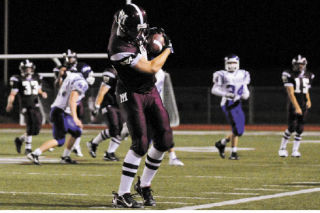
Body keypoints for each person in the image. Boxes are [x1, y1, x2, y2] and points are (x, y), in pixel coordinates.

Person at [107, 3, 174, 208]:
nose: (140, 33)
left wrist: (157, 39)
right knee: (141, 144)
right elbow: (152, 67)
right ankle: (121, 194)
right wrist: (167, 49)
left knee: (164, 140)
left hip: (149, 90)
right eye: (136, 29)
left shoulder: (130, 26)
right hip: (131, 92)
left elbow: (151, 33)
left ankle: (144, 185)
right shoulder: (118, 48)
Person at [27, 65, 95, 165]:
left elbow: (60, 82)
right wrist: (75, 118)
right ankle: (35, 154)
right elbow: (72, 100)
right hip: (61, 112)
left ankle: (65, 157)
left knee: (77, 131)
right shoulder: (81, 82)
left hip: (59, 111)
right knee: (60, 140)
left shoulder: (71, 76)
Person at [211, 54, 250, 160]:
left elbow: (244, 87)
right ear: (225, 64)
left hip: (238, 103)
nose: (231, 65)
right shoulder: (221, 74)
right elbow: (214, 90)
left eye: (233, 63)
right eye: (229, 63)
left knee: (240, 130)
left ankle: (222, 143)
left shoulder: (243, 74)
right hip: (227, 103)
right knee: (236, 128)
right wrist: (226, 94)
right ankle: (233, 153)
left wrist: (246, 94)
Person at [6, 59, 47, 155]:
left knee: (36, 129)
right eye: (26, 68)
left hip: (35, 104)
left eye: (29, 68)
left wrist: (42, 93)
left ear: (32, 68)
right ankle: (28, 148)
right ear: (22, 69)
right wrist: (10, 103)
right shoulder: (17, 79)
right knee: (30, 124)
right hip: (25, 105)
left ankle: (20, 140)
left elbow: (38, 90)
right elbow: (13, 94)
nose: (28, 70)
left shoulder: (37, 77)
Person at [87, 66, 128, 161]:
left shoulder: (128, 72)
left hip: (119, 105)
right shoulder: (111, 72)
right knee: (115, 128)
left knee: (120, 130)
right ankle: (108, 153)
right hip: (108, 104)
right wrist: (97, 106)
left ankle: (95, 144)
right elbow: (102, 91)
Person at [278, 55, 314, 158]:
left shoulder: (309, 75)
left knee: (300, 128)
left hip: (303, 103)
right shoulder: (288, 74)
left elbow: (306, 90)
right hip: (294, 104)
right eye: (298, 64)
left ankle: (295, 150)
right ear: (294, 65)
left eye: (302, 64)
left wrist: (309, 100)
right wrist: (297, 107)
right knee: (292, 127)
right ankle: (282, 148)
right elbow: (291, 93)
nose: (300, 66)